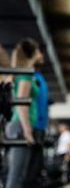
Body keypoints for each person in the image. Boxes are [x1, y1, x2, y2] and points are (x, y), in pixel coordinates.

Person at [5, 38, 43, 188]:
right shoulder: (25, 75)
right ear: (32, 53)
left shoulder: (22, 74)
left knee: (17, 175)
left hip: (18, 125)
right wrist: (27, 131)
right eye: (38, 50)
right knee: (17, 176)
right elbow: (21, 102)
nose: (41, 53)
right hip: (20, 126)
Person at [24, 55, 49, 188]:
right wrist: (27, 127)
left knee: (36, 166)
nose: (41, 55)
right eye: (37, 52)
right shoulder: (29, 75)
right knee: (29, 169)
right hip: (33, 125)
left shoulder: (39, 76)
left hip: (40, 126)